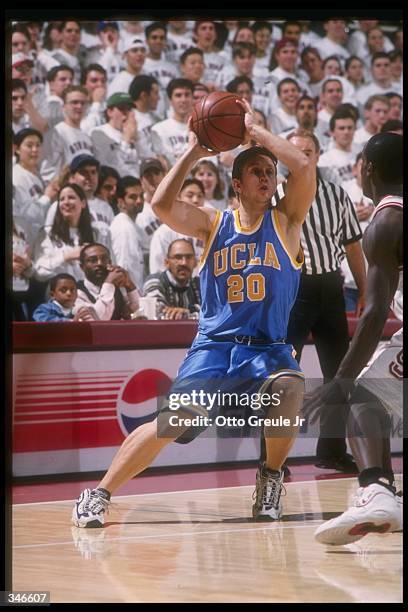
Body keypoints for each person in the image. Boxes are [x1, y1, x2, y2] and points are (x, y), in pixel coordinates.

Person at [72, 98, 316, 528]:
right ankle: (98, 493)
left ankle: (270, 478)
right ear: (237, 184)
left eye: (270, 172)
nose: (267, 176)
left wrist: (252, 131)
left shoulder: (286, 221)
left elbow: (305, 167)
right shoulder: (213, 224)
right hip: (216, 347)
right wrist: (193, 151)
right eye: (256, 171)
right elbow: (162, 207)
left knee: (291, 388)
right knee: (173, 423)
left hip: (268, 348)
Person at [309, 132, 403, 545]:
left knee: (362, 395)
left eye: (361, 162)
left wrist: (338, 382)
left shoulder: (386, 220)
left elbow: (374, 313)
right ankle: (384, 491)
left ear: (370, 170)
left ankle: (376, 491)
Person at [262, 128, 365, 473]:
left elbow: (352, 246)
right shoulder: (274, 195)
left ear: (318, 155)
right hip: (290, 289)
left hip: (330, 288)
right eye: (295, 151)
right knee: (282, 375)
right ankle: (270, 457)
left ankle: (332, 451)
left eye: (307, 151)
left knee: (339, 373)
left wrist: (364, 289)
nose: (302, 157)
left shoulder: (337, 195)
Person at [33, 183, 96, 282]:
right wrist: (66, 257)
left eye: (71, 197)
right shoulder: (47, 233)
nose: (66, 202)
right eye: (62, 199)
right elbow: (39, 272)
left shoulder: (97, 233)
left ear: (83, 203)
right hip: (59, 293)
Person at [149, 178, 208, 274]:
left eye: (200, 196)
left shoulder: (210, 230)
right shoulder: (163, 233)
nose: (196, 200)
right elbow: (157, 270)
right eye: (190, 195)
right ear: (178, 198)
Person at [75, 243, 140, 320]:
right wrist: (108, 283)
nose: (100, 263)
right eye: (93, 260)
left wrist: (130, 286)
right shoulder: (75, 291)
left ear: (110, 262)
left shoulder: (117, 287)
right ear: (82, 267)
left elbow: (138, 313)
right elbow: (97, 319)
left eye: (104, 259)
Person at [144, 238, 201, 320]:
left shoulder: (200, 284)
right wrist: (194, 312)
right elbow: (156, 313)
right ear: (167, 263)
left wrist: (186, 312)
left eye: (188, 257)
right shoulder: (154, 281)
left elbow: (215, 313)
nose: (184, 263)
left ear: (195, 263)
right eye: (178, 257)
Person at [91, 92, 141, 177]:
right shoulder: (99, 133)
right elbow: (111, 164)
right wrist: (126, 142)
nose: (126, 114)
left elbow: (144, 161)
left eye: (129, 109)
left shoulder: (135, 132)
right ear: (110, 112)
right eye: (122, 109)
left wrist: (139, 140)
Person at [110, 176, 145, 291]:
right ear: (121, 202)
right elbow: (124, 266)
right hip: (128, 293)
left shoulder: (132, 225)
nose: (139, 201)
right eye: (133, 197)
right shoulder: (123, 226)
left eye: (141, 196)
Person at [150, 78, 194, 166]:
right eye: (178, 95)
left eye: (187, 95)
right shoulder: (158, 130)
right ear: (170, 100)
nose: (183, 100)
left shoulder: (202, 129)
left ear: (192, 98)